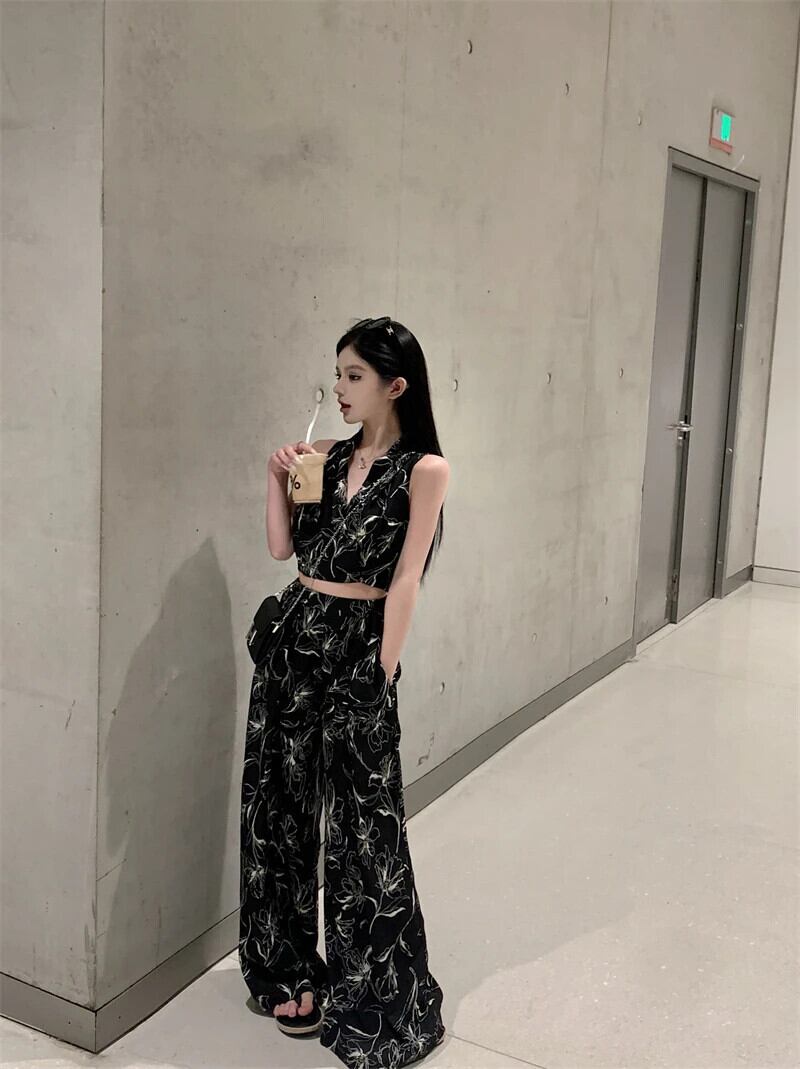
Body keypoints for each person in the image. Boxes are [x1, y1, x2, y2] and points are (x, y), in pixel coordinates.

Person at [239, 317, 450, 1069]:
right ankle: (287, 969)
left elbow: (407, 578)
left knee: (367, 828)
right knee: (281, 809)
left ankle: (373, 992)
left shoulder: (425, 470)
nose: (339, 388)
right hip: (295, 640)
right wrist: (275, 478)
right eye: (337, 374)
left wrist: (383, 672)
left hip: (360, 650)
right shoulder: (321, 456)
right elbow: (282, 548)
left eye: (354, 375)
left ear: (396, 385)